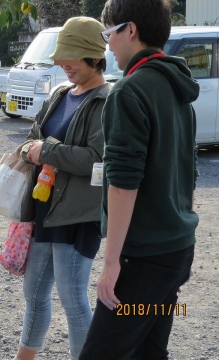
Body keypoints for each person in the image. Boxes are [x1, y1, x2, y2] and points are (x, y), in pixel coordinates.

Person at [79, 1, 199, 359]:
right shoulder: (178, 86)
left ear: (130, 30)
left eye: (108, 34)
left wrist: (111, 263)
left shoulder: (129, 90)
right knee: (149, 351)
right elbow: (187, 171)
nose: (107, 45)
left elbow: (123, 182)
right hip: (176, 248)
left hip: (142, 257)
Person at [13, 17, 112, 360]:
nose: (64, 65)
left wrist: (46, 150)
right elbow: (30, 138)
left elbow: (98, 159)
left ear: (94, 57)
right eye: (62, 58)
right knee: (35, 293)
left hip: (77, 215)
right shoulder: (59, 94)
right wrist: (32, 149)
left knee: (73, 299)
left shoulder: (105, 101)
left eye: (72, 58)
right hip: (45, 208)